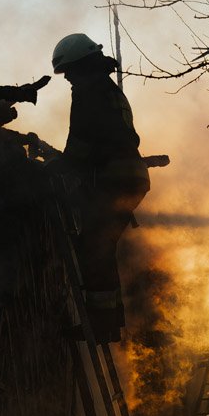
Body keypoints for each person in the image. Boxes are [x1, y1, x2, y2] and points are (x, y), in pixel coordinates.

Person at [49, 33, 150, 343]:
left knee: (94, 248)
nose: (68, 79)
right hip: (129, 177)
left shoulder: (89, 91)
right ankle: (109, 322)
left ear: (81, 65)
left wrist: (59, 166)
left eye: (69, 72)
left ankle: (101, 326)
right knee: (102, 247)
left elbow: (81, 138)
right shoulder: (107, 88)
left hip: (116, 179)